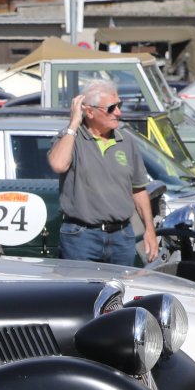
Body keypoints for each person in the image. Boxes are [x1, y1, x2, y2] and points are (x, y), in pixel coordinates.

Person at [46, 79, 158, 266]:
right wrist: (73, 124)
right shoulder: (71, 138)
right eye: (111, 108)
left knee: (121, 285)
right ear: (89, 112)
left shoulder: (126, 141)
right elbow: (58, 165)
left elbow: (138, 190)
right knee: (81, 286)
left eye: (119, 105)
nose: (118, 112)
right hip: (81, 237)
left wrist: (149, 230)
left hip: (122, 236)